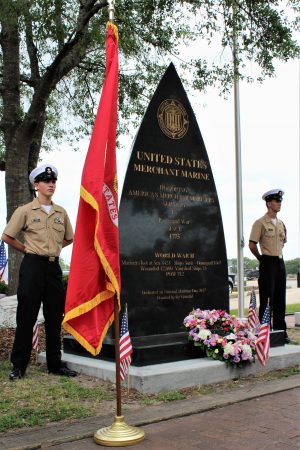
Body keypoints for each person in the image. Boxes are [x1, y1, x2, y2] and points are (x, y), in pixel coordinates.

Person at [1, 164, 77, 379]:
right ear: (36, 185)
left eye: (53, 181)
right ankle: (19, 366)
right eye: (46, 181)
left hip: (53, 268)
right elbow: (7, 236)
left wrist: (52, 250)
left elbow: (70, 238)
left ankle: (55, 364)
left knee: (54, 316)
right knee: (27, 315)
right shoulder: (25, 211)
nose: (51, 184)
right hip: (32, 266)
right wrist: (27, 249)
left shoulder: (61, 212)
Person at [249, 188, 290, 343]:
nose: (279, 204)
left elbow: (282, 243)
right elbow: (252, 245)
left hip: (280, 263)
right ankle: (264, 335)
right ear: (268, 203)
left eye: (280, 201)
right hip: (267, 262)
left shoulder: (281, 224)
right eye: (276, 201)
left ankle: (281, 333)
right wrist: (262, 259)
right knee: (267, 299)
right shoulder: (260, 223)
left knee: (280, 299)